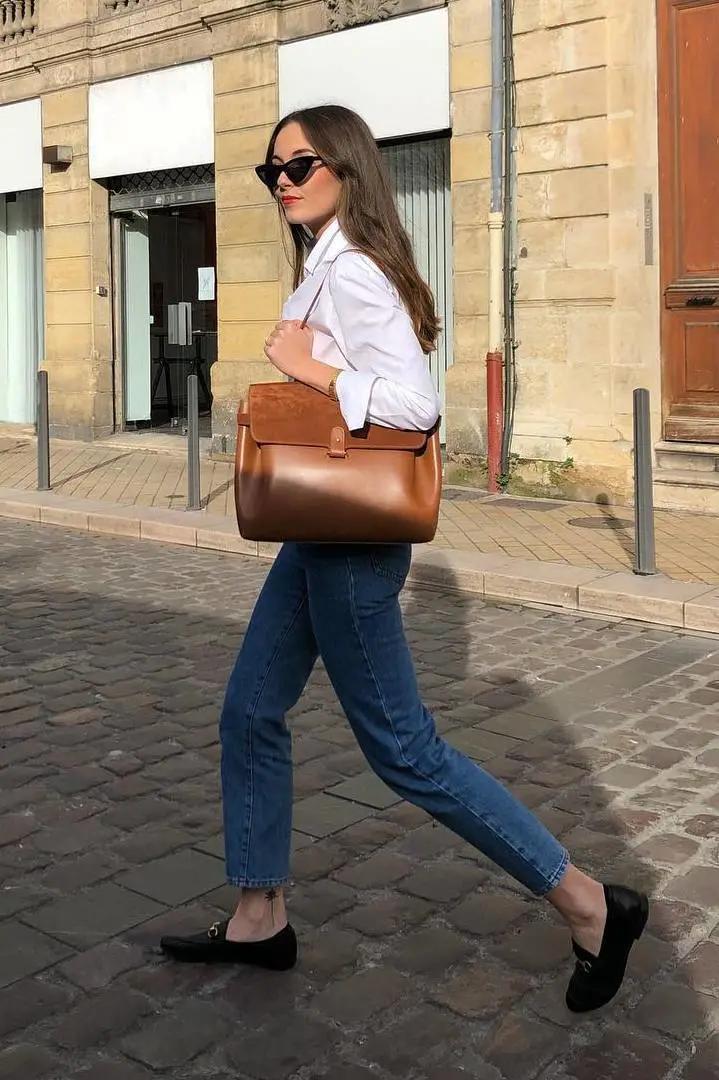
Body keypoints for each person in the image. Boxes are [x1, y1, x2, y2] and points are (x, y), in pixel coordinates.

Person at [161, 105, 648, 1012]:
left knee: (405, 753)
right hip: (319, 534)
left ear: (345, 166)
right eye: (272, 172)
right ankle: (259, 914)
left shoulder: (351, 268)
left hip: (351, 545)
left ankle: (588, 904)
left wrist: (308, 369)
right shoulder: (330, 259)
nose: (283, 183)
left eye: (299, 165)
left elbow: (414, 406)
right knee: (249, 711)